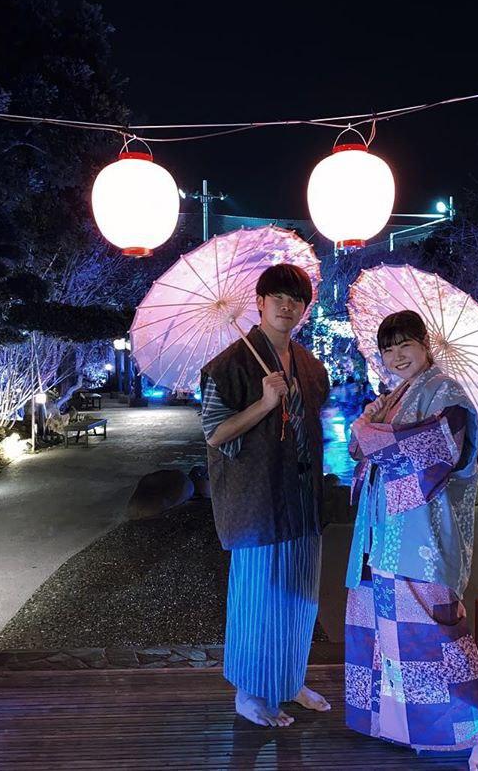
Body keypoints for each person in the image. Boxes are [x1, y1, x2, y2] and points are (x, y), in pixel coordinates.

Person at [344, 310, 478, 771]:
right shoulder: (394, 397)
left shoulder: (446, 392)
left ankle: (476, 734)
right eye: (388, 349)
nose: (397, 356)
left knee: (436, 637)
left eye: (405, 345)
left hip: (420, 536)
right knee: (386, 637)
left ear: (426, 343)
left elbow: (432, 453)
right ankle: (399, 725)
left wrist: (367, 432)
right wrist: (369, 423)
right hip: (382, 532)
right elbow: (362, 455)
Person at [199, 264, 332, 728]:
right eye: (277, 296)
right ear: (259, 301)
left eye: (296, 299)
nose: (287, 306)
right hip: (257, 502)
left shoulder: (311, 367)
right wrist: (263, 404)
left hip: (301, 500)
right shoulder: (228, 365)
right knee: (258, 598)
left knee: (299, 598)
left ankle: (290, 679)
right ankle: (251, 692)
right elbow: (215, 434)